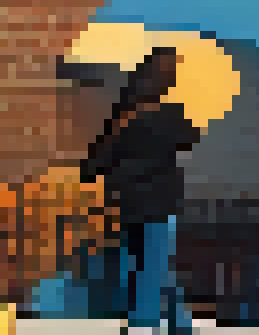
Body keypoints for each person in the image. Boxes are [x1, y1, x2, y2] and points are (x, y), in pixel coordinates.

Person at [79, 48, 199, 335]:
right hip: (153, 207)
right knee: (152, 272)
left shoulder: (128, 118)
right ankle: (158, 327)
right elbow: (188, 138)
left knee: (151, 271)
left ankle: (174, 326)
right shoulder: (167, 116)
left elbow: (92, 167)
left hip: (134, 206)